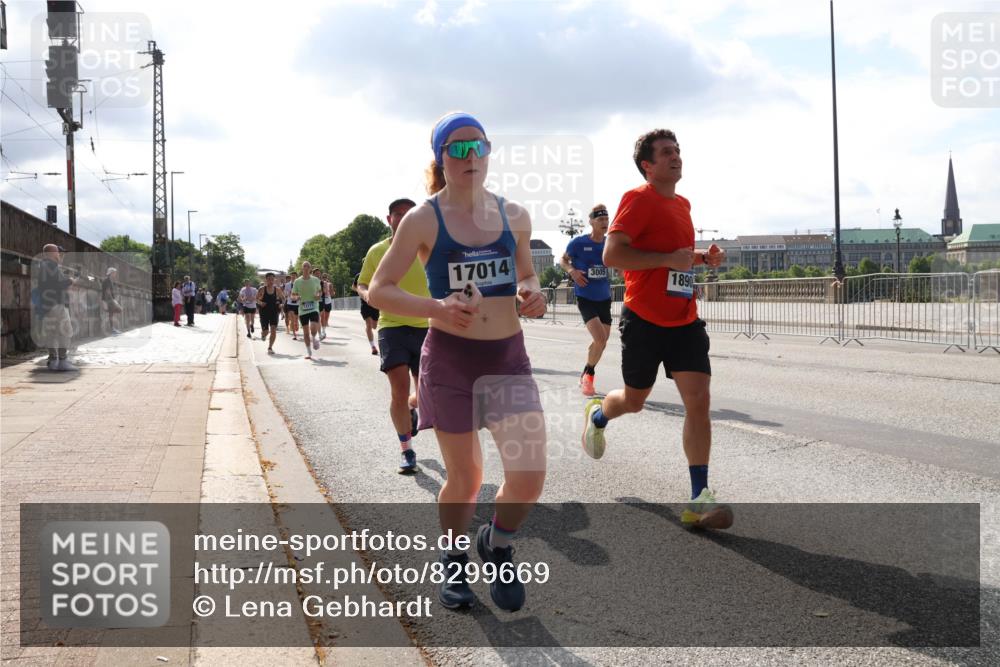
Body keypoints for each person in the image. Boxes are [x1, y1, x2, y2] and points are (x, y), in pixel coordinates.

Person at [369, 112, 547, 612]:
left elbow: (527, 275)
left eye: (479, 148)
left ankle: (498, 542)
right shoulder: (423, 219)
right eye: (458, 149)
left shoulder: (514, 215)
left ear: (490, 152)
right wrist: (435, 307)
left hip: (506, 357)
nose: (471, 158)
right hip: (450, 361)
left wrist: (531, 294)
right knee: (466, 477)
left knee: (529, 473)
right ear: (440, 157)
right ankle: (453, 558)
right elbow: (380, 289)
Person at [580, 128, 731, 530]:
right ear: (647, 165)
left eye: (677, 150)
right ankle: (599, 415)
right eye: (666, 152)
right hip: (644, 319)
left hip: (684, 319)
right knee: (633, 400)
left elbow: (674, 260)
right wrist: (671, 258)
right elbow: (614, 254)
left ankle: (699, 498)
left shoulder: (683, 204)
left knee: (698, 400)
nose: (675, 156)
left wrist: (702, 258)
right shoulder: (636, 199)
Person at [356, 197, 426, 474]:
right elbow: (362, 282)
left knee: (424, 395)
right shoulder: (377, 251)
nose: (404, 217)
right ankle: (406, 450)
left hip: (427, 326)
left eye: (410, 213)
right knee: (398, 389)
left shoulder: (428, 248)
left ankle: (413, 407)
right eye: (398, 213)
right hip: (392, 325)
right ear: (389, 220)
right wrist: (368, 296)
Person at [561, 204, 613, 396]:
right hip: (585, 297)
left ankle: (586, 370)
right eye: (600, 220)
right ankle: (589, 376)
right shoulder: (578, 243)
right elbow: (563, 260)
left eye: (606, 219)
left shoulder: (609, 244)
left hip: (605, 298)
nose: (604, 223)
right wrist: (572, 271)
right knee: (599, 338)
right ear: (591, 221)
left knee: (602, 341)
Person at [35, 244, 78, 371]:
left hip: (48, 306)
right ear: (53, 252)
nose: (60, 254)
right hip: (56, 305)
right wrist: (70, 281)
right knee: (65, 332)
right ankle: (63, 361)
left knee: (51, 333)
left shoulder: (44, 266)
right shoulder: (51, 266)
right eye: (59, 252)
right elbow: (55, 285)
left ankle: (53, 360)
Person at [292, 262, 324, 359]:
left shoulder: (315, 280)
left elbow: (320, 291)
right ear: (302, 268)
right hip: (302, 309)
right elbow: (293, 295)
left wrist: (318, 295)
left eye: (308, 266)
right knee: (305, 332)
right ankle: (309, 352)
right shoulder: (297, 281)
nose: (306, 268)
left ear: (310, 269)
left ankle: (314, 338)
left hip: (314, 307)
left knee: (313, 327)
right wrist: (296, 297)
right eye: (304, 266)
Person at [256, 272, 284, 353]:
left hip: (274, 312)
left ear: (274, 280)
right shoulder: (262, 289)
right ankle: (263, 334)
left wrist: (281, 304)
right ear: (266, 280)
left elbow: (283, 298)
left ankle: (270, 348)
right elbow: (256, 299)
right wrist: (261, 303)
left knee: (273, 330)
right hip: (264, 313)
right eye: (269, 279)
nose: (270, 281)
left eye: (272, 279)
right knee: (266, 331)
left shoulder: (277, 290)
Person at [352, 273, 379, 355]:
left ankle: (373, 344)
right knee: (369, 325)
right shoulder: (359, 276)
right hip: (365, 304)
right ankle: (373, 346)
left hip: (375, 304)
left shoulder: (375, 273)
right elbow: (353, 286)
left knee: (374, 326)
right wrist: (360, 291)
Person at [101, 267, 123, 335]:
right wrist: (113, 300)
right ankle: (112, 330)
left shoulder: (110, 280)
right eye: (114, 273)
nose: (115, 274)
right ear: (111, 273)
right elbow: (107, 291)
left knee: (112, 313)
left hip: (109, 300)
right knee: (118, 310)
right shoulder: (107, 280)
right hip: (108, 300)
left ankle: (113, 329)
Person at [284, 271, 300, 340]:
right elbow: (285, 293)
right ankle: (294, 335)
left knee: (296, 320)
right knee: (292, 319)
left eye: (294, 275)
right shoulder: (287, 284)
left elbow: (302, 292)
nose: (293, 277)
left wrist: (298, 296)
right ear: (291, 277)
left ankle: (296, 326)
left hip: (297, 303)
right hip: (290, 303)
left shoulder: (300, 283)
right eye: (292, 276)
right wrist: (289, 293)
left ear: (297, 276)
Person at [319, 272, 334, 340]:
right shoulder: (320, 283)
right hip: (323, 300)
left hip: (328, 300)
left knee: (327, 316)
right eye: (323, 277)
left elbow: (332, 293)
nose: (325, 278)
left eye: (326, 277)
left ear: (327, 278)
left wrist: (331, 292)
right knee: (323, 315)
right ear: (322, 278)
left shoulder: (330, 284)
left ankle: (324, 325)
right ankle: (323, 330)